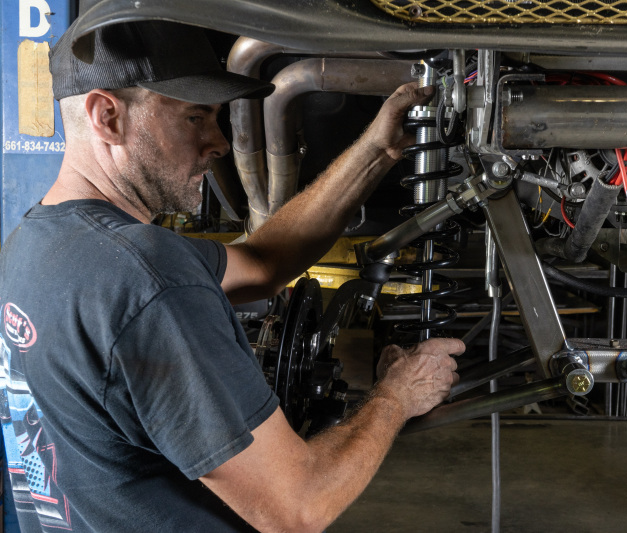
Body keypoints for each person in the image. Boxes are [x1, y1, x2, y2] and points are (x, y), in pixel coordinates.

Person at [0, 19, 464, 533]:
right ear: (107, 117)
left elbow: (263, 264)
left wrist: (376, 150)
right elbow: (298, 506)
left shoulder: (32, 244)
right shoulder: (147, 274)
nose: (219, 142)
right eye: (194, 117)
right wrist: (396, 396)